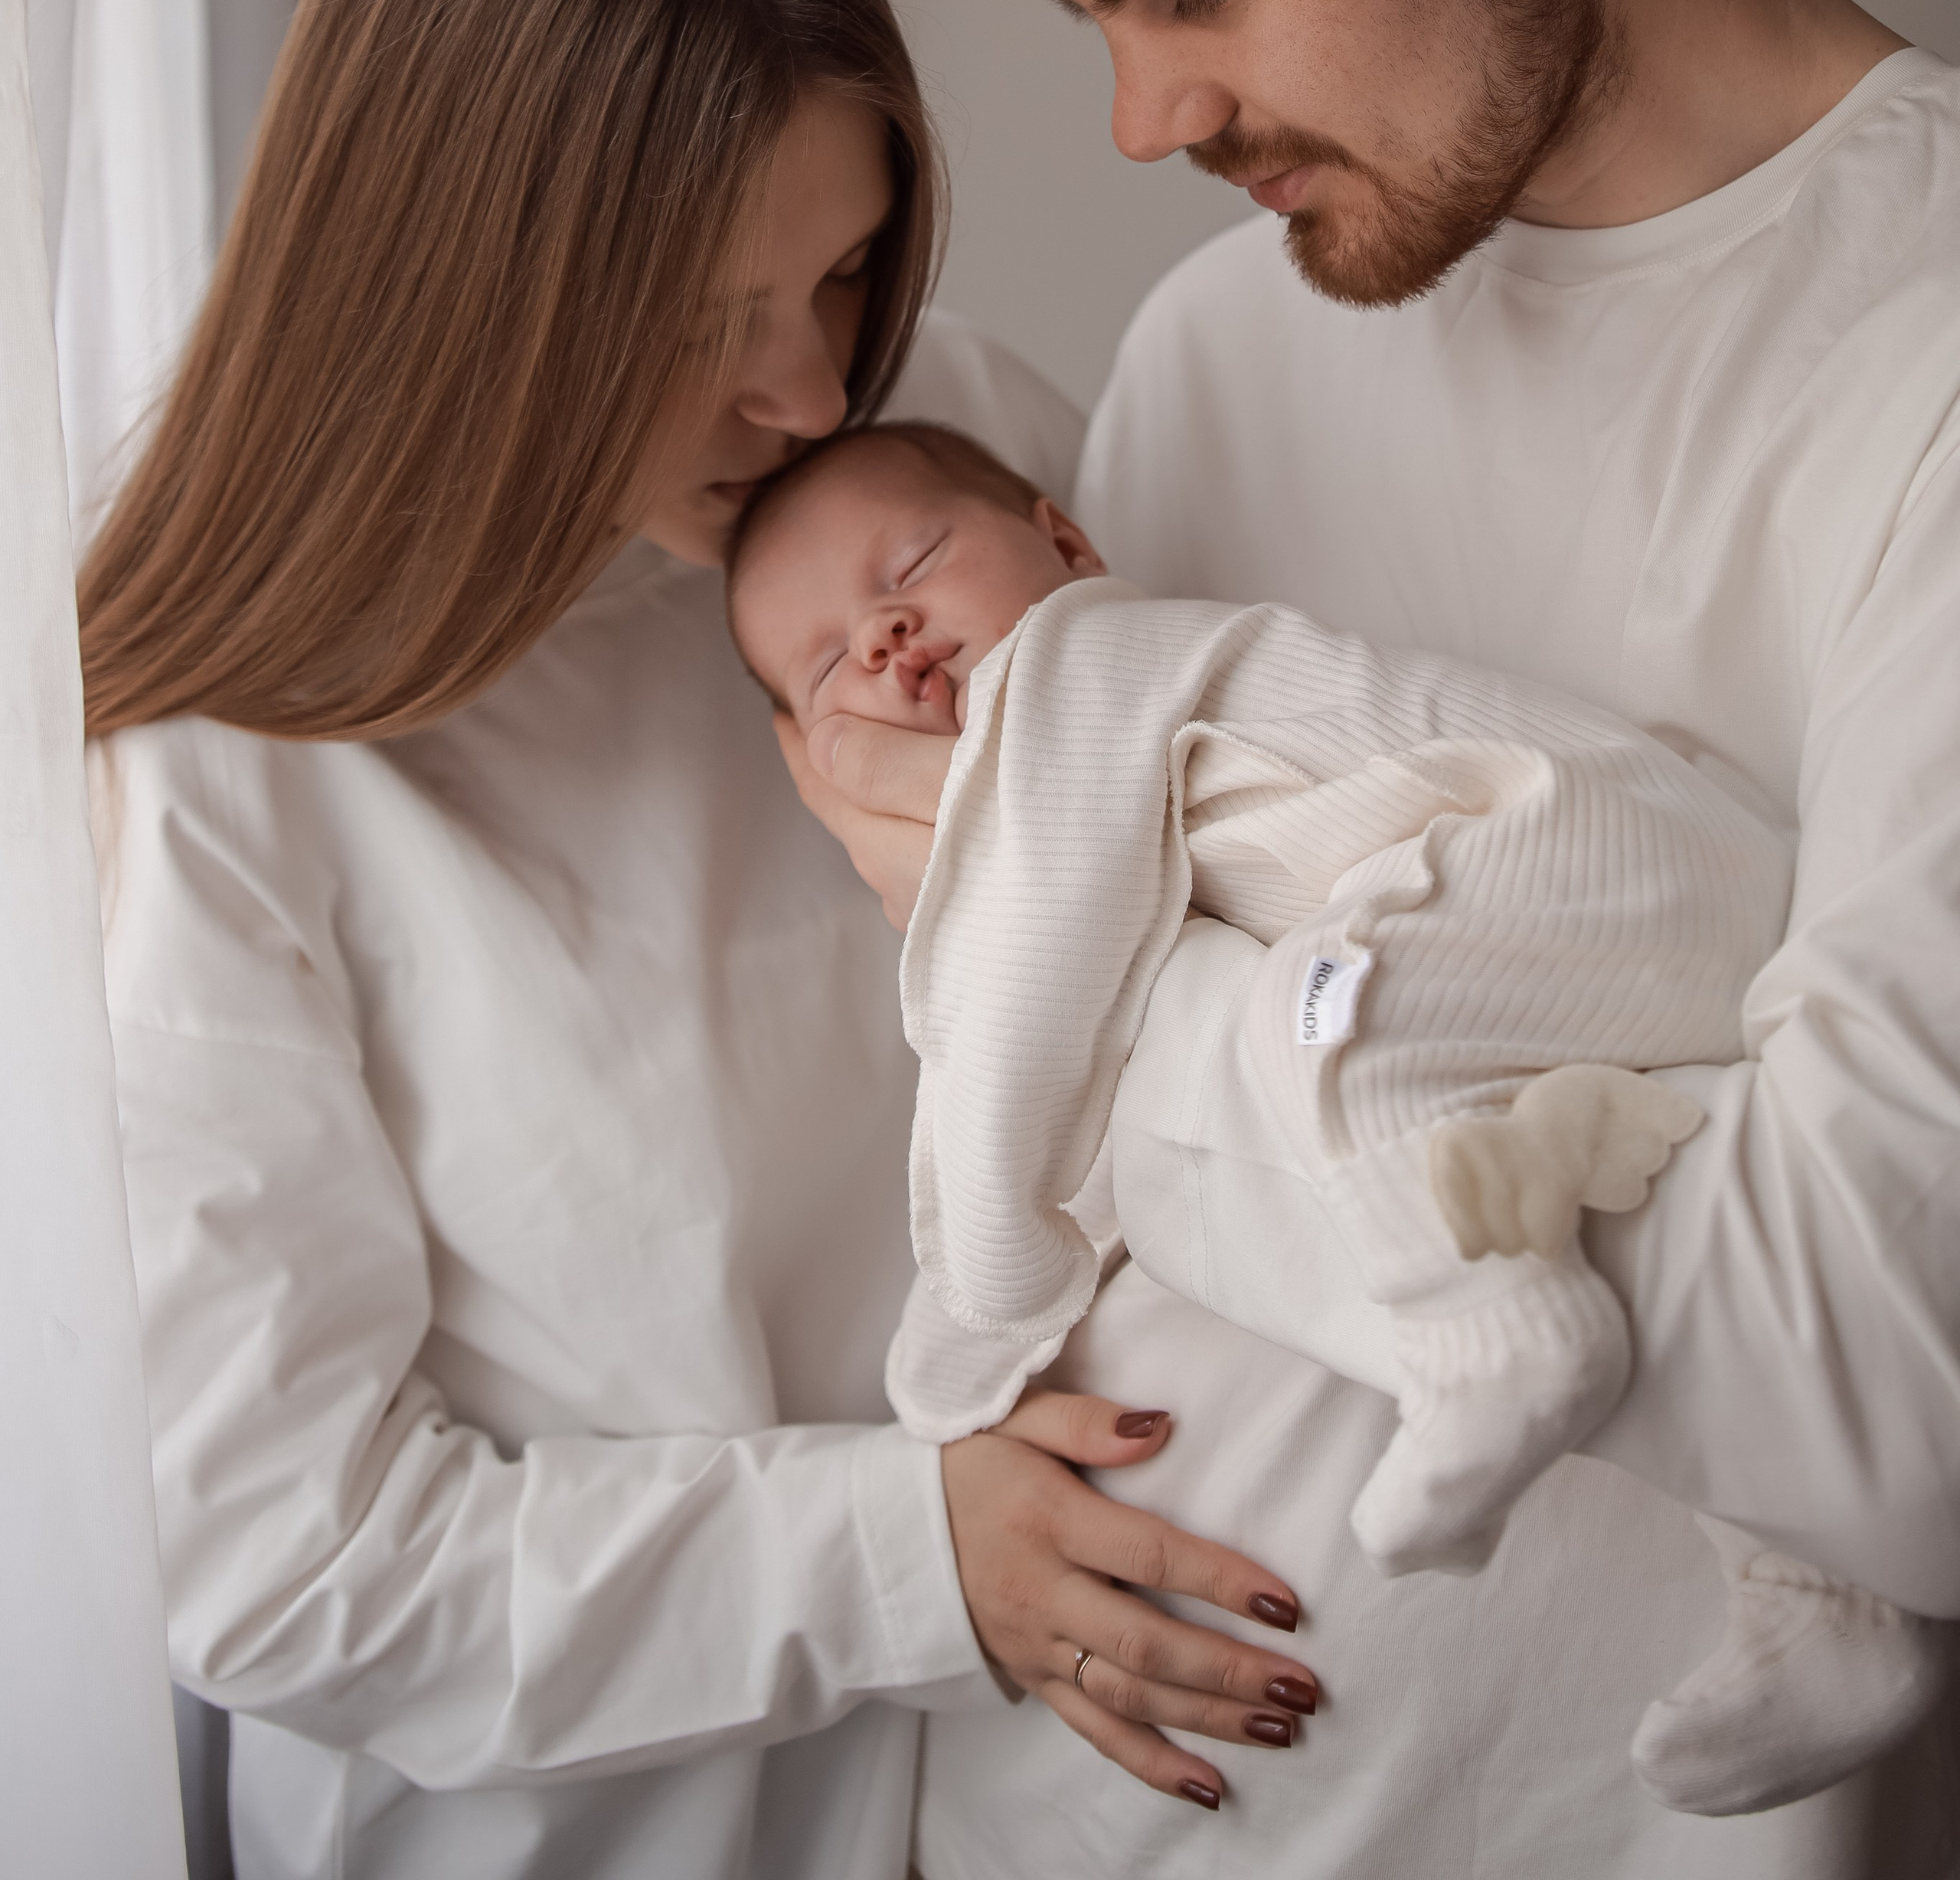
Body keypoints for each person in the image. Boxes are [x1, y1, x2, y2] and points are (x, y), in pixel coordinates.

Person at [784, 0, 1960, 1873]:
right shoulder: (1224, 350)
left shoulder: (1929, 354)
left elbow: (1895, 1370)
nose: (1147, 118)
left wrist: (1077, 965)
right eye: (1101, 24)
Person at [81, 0, 1320, 1880]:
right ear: (445, 299)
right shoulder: (216, 765)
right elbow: (285, 1559)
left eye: (840, 269)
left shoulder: (940, 462)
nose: (812, 395)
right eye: (692, 323)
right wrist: (917, 1554)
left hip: (1051, 1806)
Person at [728, 414, 1939, 1819]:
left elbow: (1020, 1016)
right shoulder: (1081, 801)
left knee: (1315, 1030)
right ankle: (1817, 1579)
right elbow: (1100, 1079)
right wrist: (988, 1370)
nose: (884, 635)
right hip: (1582, 938)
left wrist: (964, 1343)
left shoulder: (1074, 671)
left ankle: (1505, 1321)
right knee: (1597, 1176)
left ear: (1064, 544)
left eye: (913, 564)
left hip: (1558, 846)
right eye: (828, 665)